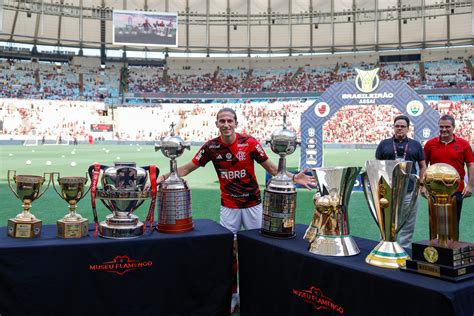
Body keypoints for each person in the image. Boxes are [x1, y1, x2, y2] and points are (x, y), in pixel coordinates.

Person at [157, 107, 315, 314]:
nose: (226, 124)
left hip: (253, 206)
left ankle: (257, 292)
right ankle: (233, 295)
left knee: (257, 250)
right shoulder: (211, 147)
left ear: (236, 123)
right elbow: (186, 168)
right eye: (222, 121)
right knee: (229, 253)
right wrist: (162, 177)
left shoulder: (249, 143)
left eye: (229, 120)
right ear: (217, 124)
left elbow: (273, 169)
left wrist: (294, 178)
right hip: (229, 207)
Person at [375, 115, 426, 249]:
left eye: (403, 126)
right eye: (397, 126)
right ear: (394, 127)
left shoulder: (415, 145)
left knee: (408, 223)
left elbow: (422, 166)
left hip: (410, 191)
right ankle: (384, 247)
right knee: (387, 222)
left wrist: (421, 185)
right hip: (388, 192)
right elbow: (377, 165)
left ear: (408, 128)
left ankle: (403, 250)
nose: (400, 129)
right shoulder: (384, 144)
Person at [423, 114, 474, 223]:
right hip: (435, 189)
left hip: (456, 190)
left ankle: (453, 241)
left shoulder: (463, 144)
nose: (444, 129)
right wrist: (422, 186)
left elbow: (471, 165)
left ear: (453, 127)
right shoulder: (430, 144)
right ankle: (435, 241)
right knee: (435, 222)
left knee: (453, 222)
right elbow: (423, 165)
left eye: (447, 127)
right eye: (441, 127)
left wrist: (470, 185)